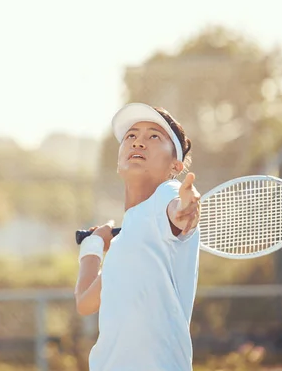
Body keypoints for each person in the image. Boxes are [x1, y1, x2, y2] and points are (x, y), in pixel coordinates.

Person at [74, 103, 201, 371]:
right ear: (119, 160)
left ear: (175, 165)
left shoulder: (168, 194)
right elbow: (85, 302)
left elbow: (177, 211)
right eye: (131, 136)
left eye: (154, 136)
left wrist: (184, 208)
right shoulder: (122, 245)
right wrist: (93, 246)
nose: (139, 142)